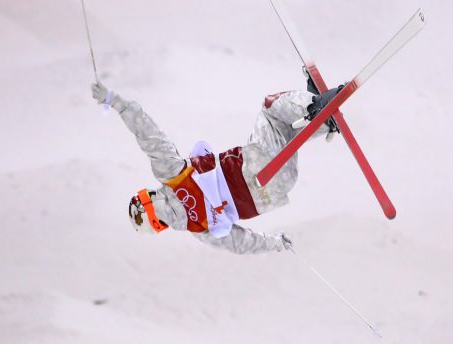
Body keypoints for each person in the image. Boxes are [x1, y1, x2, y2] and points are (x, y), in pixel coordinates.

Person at [91, 80, 342, 254]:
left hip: (280, 185)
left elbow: (241, 243)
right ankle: (314, 107)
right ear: (149, 200)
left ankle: (320, 117)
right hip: (255, 167)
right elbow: (148, 135)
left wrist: (274, 243)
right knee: (269, 108)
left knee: (284, 132)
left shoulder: (200, 230)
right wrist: (117, 103)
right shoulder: (173, 177)